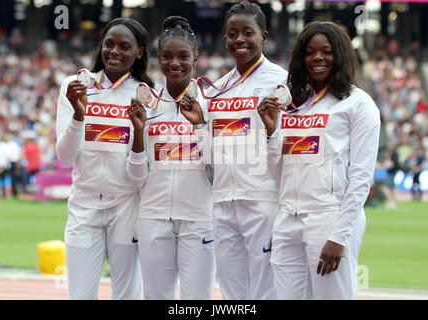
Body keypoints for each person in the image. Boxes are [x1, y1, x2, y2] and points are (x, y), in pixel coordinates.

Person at [260, 21, 380, 299]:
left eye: (326, 51)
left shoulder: (358, 104)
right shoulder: (292, 107)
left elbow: (361, 178)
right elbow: (278, 173)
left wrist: (339, 236)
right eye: (310, 52)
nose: (317, 58)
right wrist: (271, 132)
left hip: (329, 217)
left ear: (340, 55)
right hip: (288, 219)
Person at [55, 18, 153, 300]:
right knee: (80, 296)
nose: (115, 51)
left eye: (125, 46)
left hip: (127, 206)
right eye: (109, 44)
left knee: (127, 295)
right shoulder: (73, 86)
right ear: (101, 46)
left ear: (139, 52)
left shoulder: (146, 95)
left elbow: (139, 176)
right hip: (84, 206)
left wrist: (137, 132)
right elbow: (64, 157)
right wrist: (78, 115)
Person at [203, 1, 288, 300]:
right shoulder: (215, 89)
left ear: (263, 37)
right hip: (224, 203)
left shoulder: (282, 82)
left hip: (264, 201)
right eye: (232, 34)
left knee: (267, 291)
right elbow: (209, 149)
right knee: (232, 293)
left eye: (247, 33)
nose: (239, 40)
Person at [125, 16, 215, 300]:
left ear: (196, 58)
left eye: (183, 56)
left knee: (196, 299)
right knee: (155, 297)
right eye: (167, 56)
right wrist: (139, 134)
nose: (174, 63)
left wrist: (201, 126)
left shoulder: (211, 103)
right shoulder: (146, 105)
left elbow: (217, 171)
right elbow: (136, 177)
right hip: (152, 217)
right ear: (158, 59)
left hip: (199, 218)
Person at [380, 143, 400, 210]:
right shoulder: (394, 153)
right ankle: (393, 203)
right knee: (392, 188)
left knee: (384, 188)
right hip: (393, 173)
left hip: (391, 173)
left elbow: (392, 165)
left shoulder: (394, 154)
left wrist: (382, 167)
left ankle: (391, 202)